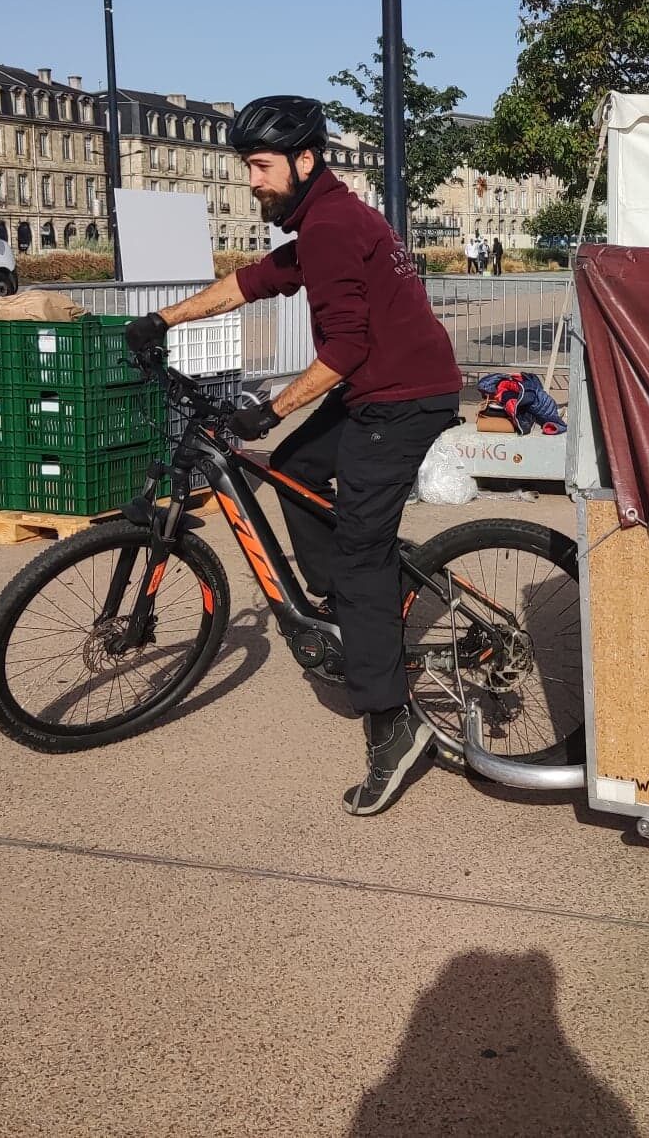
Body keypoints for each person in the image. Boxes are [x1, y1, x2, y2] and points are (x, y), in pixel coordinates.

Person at [124, 94, 461, 816]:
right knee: (294, 469)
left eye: (261, 166)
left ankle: (392, 724)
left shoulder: (335, 226)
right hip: (382, 387)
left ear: (306, 160)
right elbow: (252, 283)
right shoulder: (322, 223)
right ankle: (343, 601)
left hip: (401, 398)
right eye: (248, 166)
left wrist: (267, 408)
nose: (252, 181)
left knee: (362, 556)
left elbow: (346, 349)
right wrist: (163, 318)